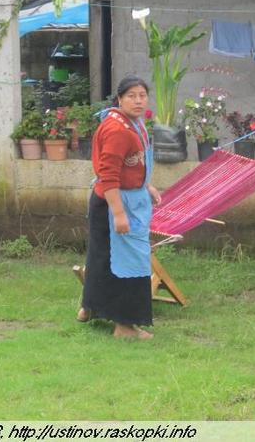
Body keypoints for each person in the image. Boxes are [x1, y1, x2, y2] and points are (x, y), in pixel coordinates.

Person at [78, 76, 161, 340]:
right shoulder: (117, 130)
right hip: (115, 203)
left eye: (142, 95)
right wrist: (119, 214)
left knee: (101, 259)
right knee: (131, 263)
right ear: (120, 98)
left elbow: (130, 165)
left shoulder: (132, 124)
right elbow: (109, 174)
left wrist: (146, 185)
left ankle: (89, 308)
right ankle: (125, 326)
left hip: (119, 198)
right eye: (131, 96)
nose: (137, 101)